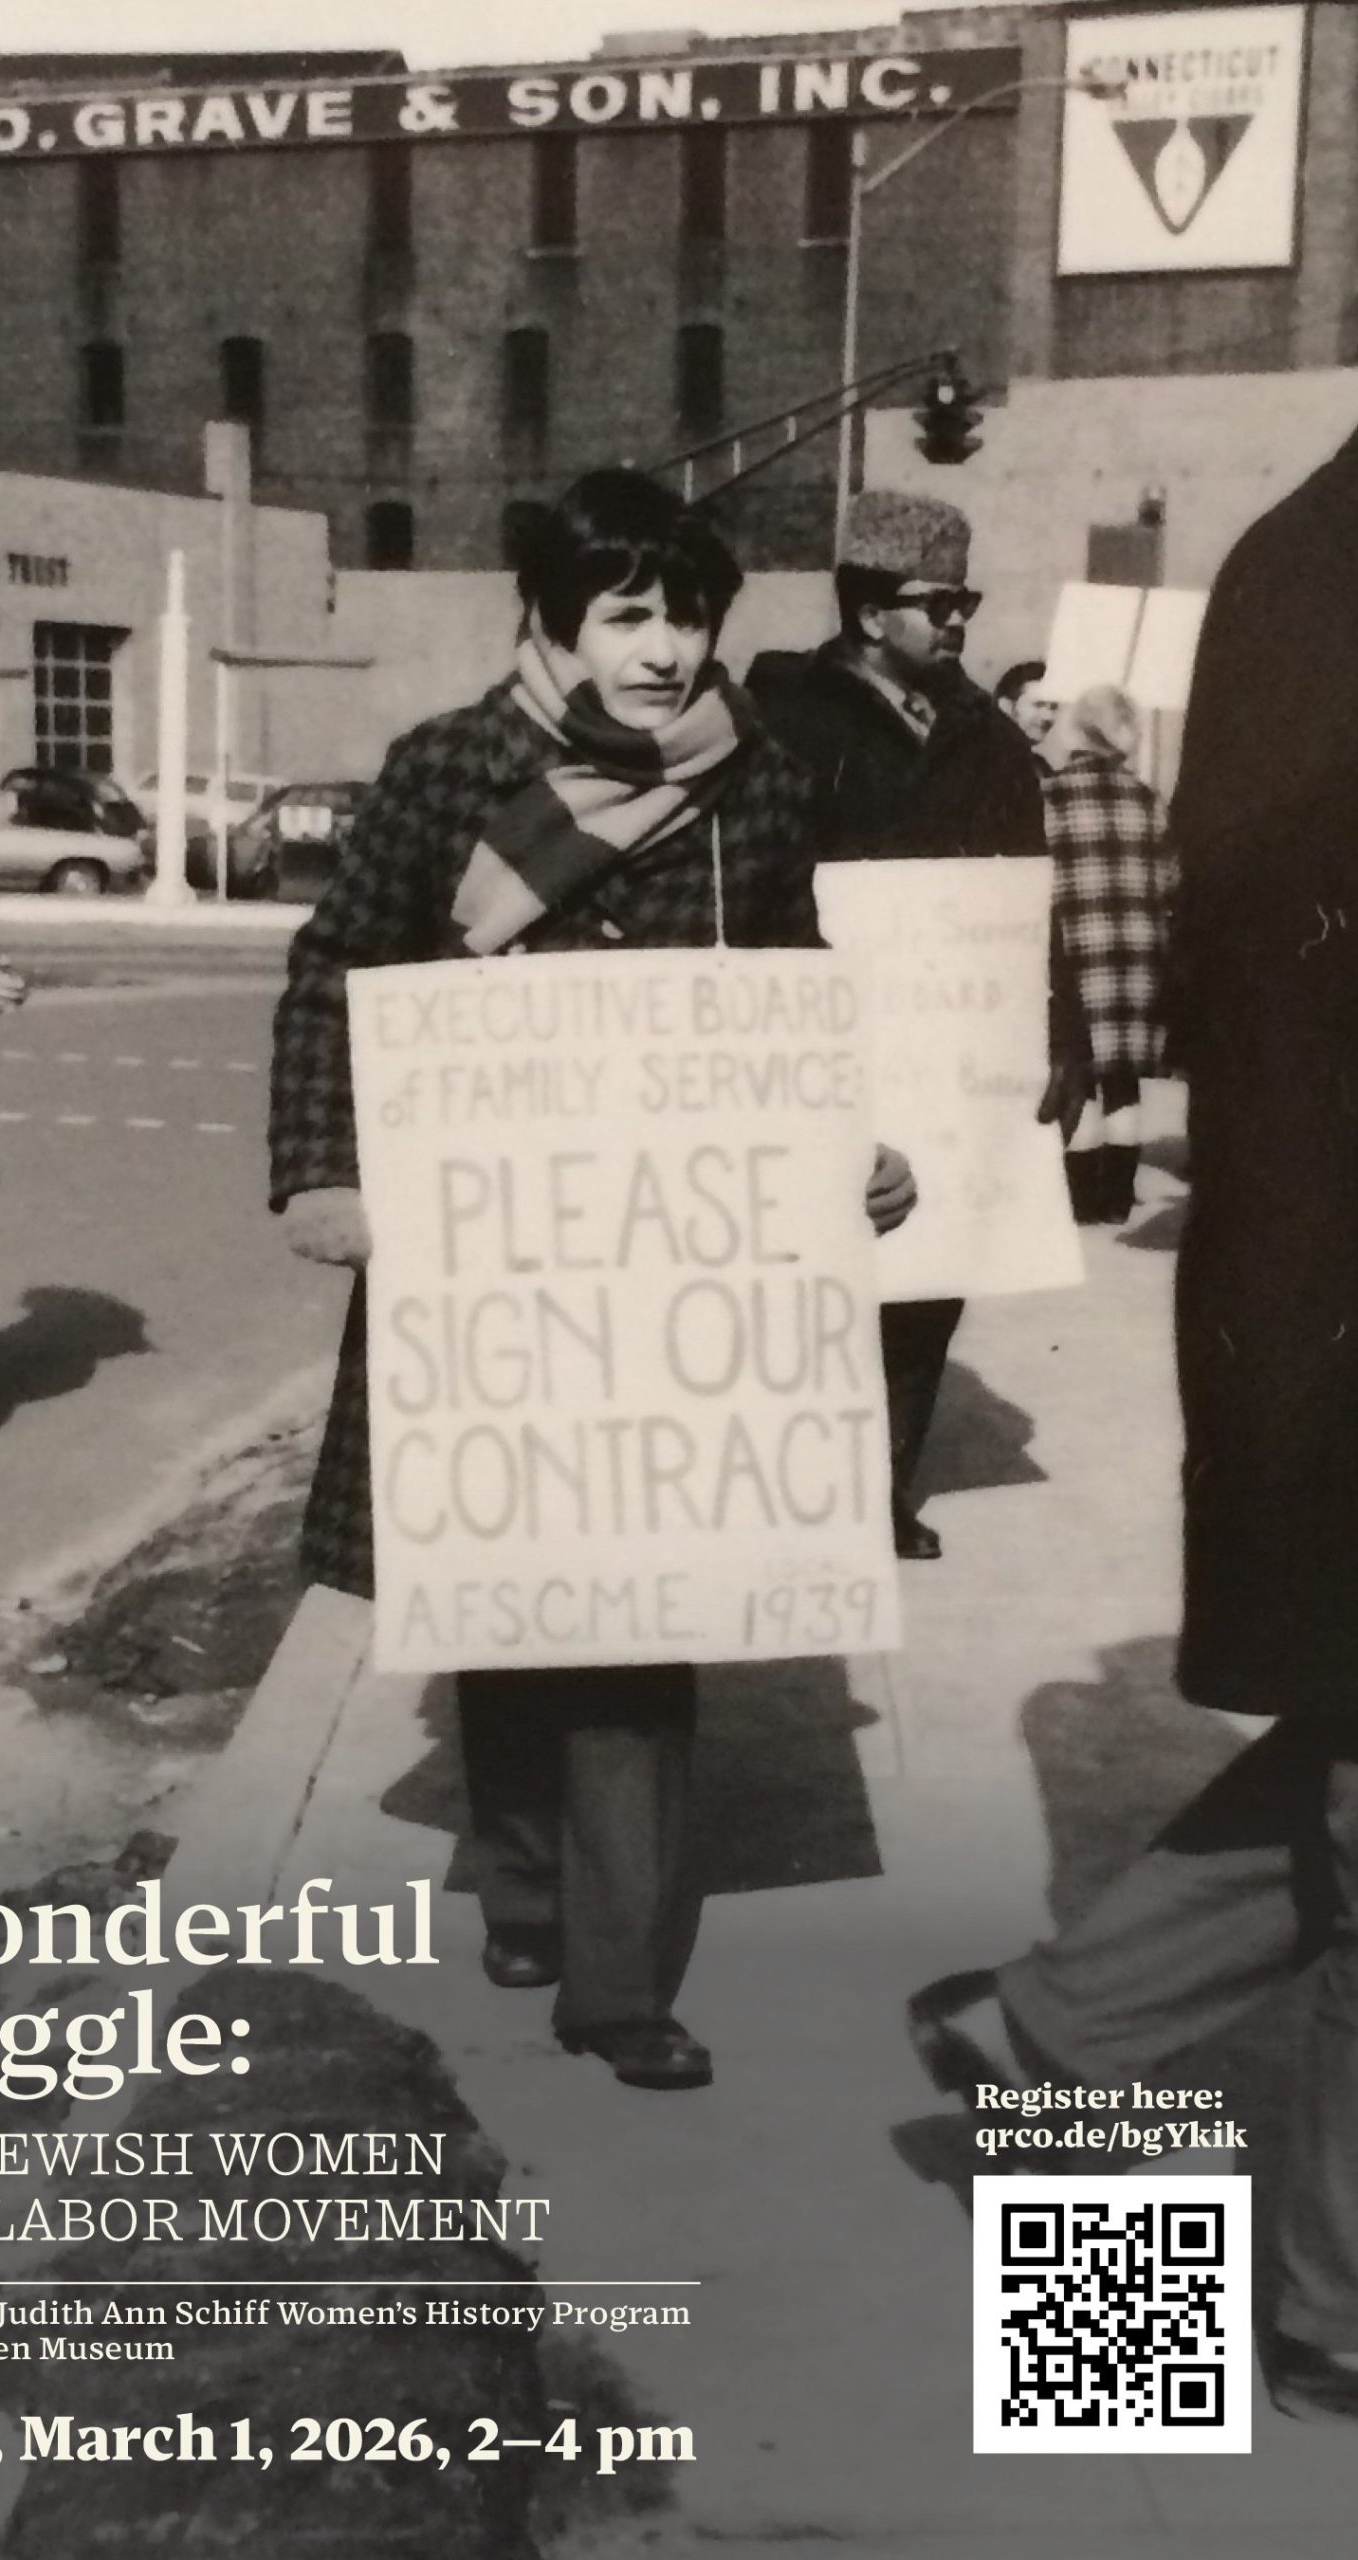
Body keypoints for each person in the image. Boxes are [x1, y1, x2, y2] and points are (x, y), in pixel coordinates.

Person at [269, 467, 916, 2094]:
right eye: (627, 615)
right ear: (552, 621)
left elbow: (790, 993)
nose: (663, 650)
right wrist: (322, 1169)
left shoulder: (756, 782)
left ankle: (618, 1985)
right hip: (484, 1262)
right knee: (504, 1582)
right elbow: (338, 970)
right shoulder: (449, 768)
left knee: (638, 1617)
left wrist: (845, 1146)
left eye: (686, 616)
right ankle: (521, 1879)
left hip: (670, 1277)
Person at [908, 424, 1358, 2424]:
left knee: (1345, 1766)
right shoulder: (1321, 570)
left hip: (1308, 1284)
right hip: (1331, 1303)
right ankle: (1297, 2309)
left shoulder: (1296, 556)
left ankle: (1055, 2036)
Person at [746, 490, 1051, 1564]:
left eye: (967, 602)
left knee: (930, 1274)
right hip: (816, 1033)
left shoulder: (987, 735)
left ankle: (881, 1490)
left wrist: (1051, 1033)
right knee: (813, 1265)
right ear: (871, 613)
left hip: (952, 1051)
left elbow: (1031, 894)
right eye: (939, 603)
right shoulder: (782, 720)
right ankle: (797, 1484)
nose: (960, 620)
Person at [1040, 684, 1177, 1225]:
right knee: (1123, 1081)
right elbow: (1170, 878)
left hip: (1073, 954)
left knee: (1080, 1077)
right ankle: (1118, 1197)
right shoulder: (1147, 799)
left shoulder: (1049, 796)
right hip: (1139, 956)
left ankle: (1083, 1200)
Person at [994, 658, 1056, 772]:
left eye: (1053, 707)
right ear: (1006, 707)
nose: (1048, 716)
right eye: (1038, 705)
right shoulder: (989, 762)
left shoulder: (1037, 765)